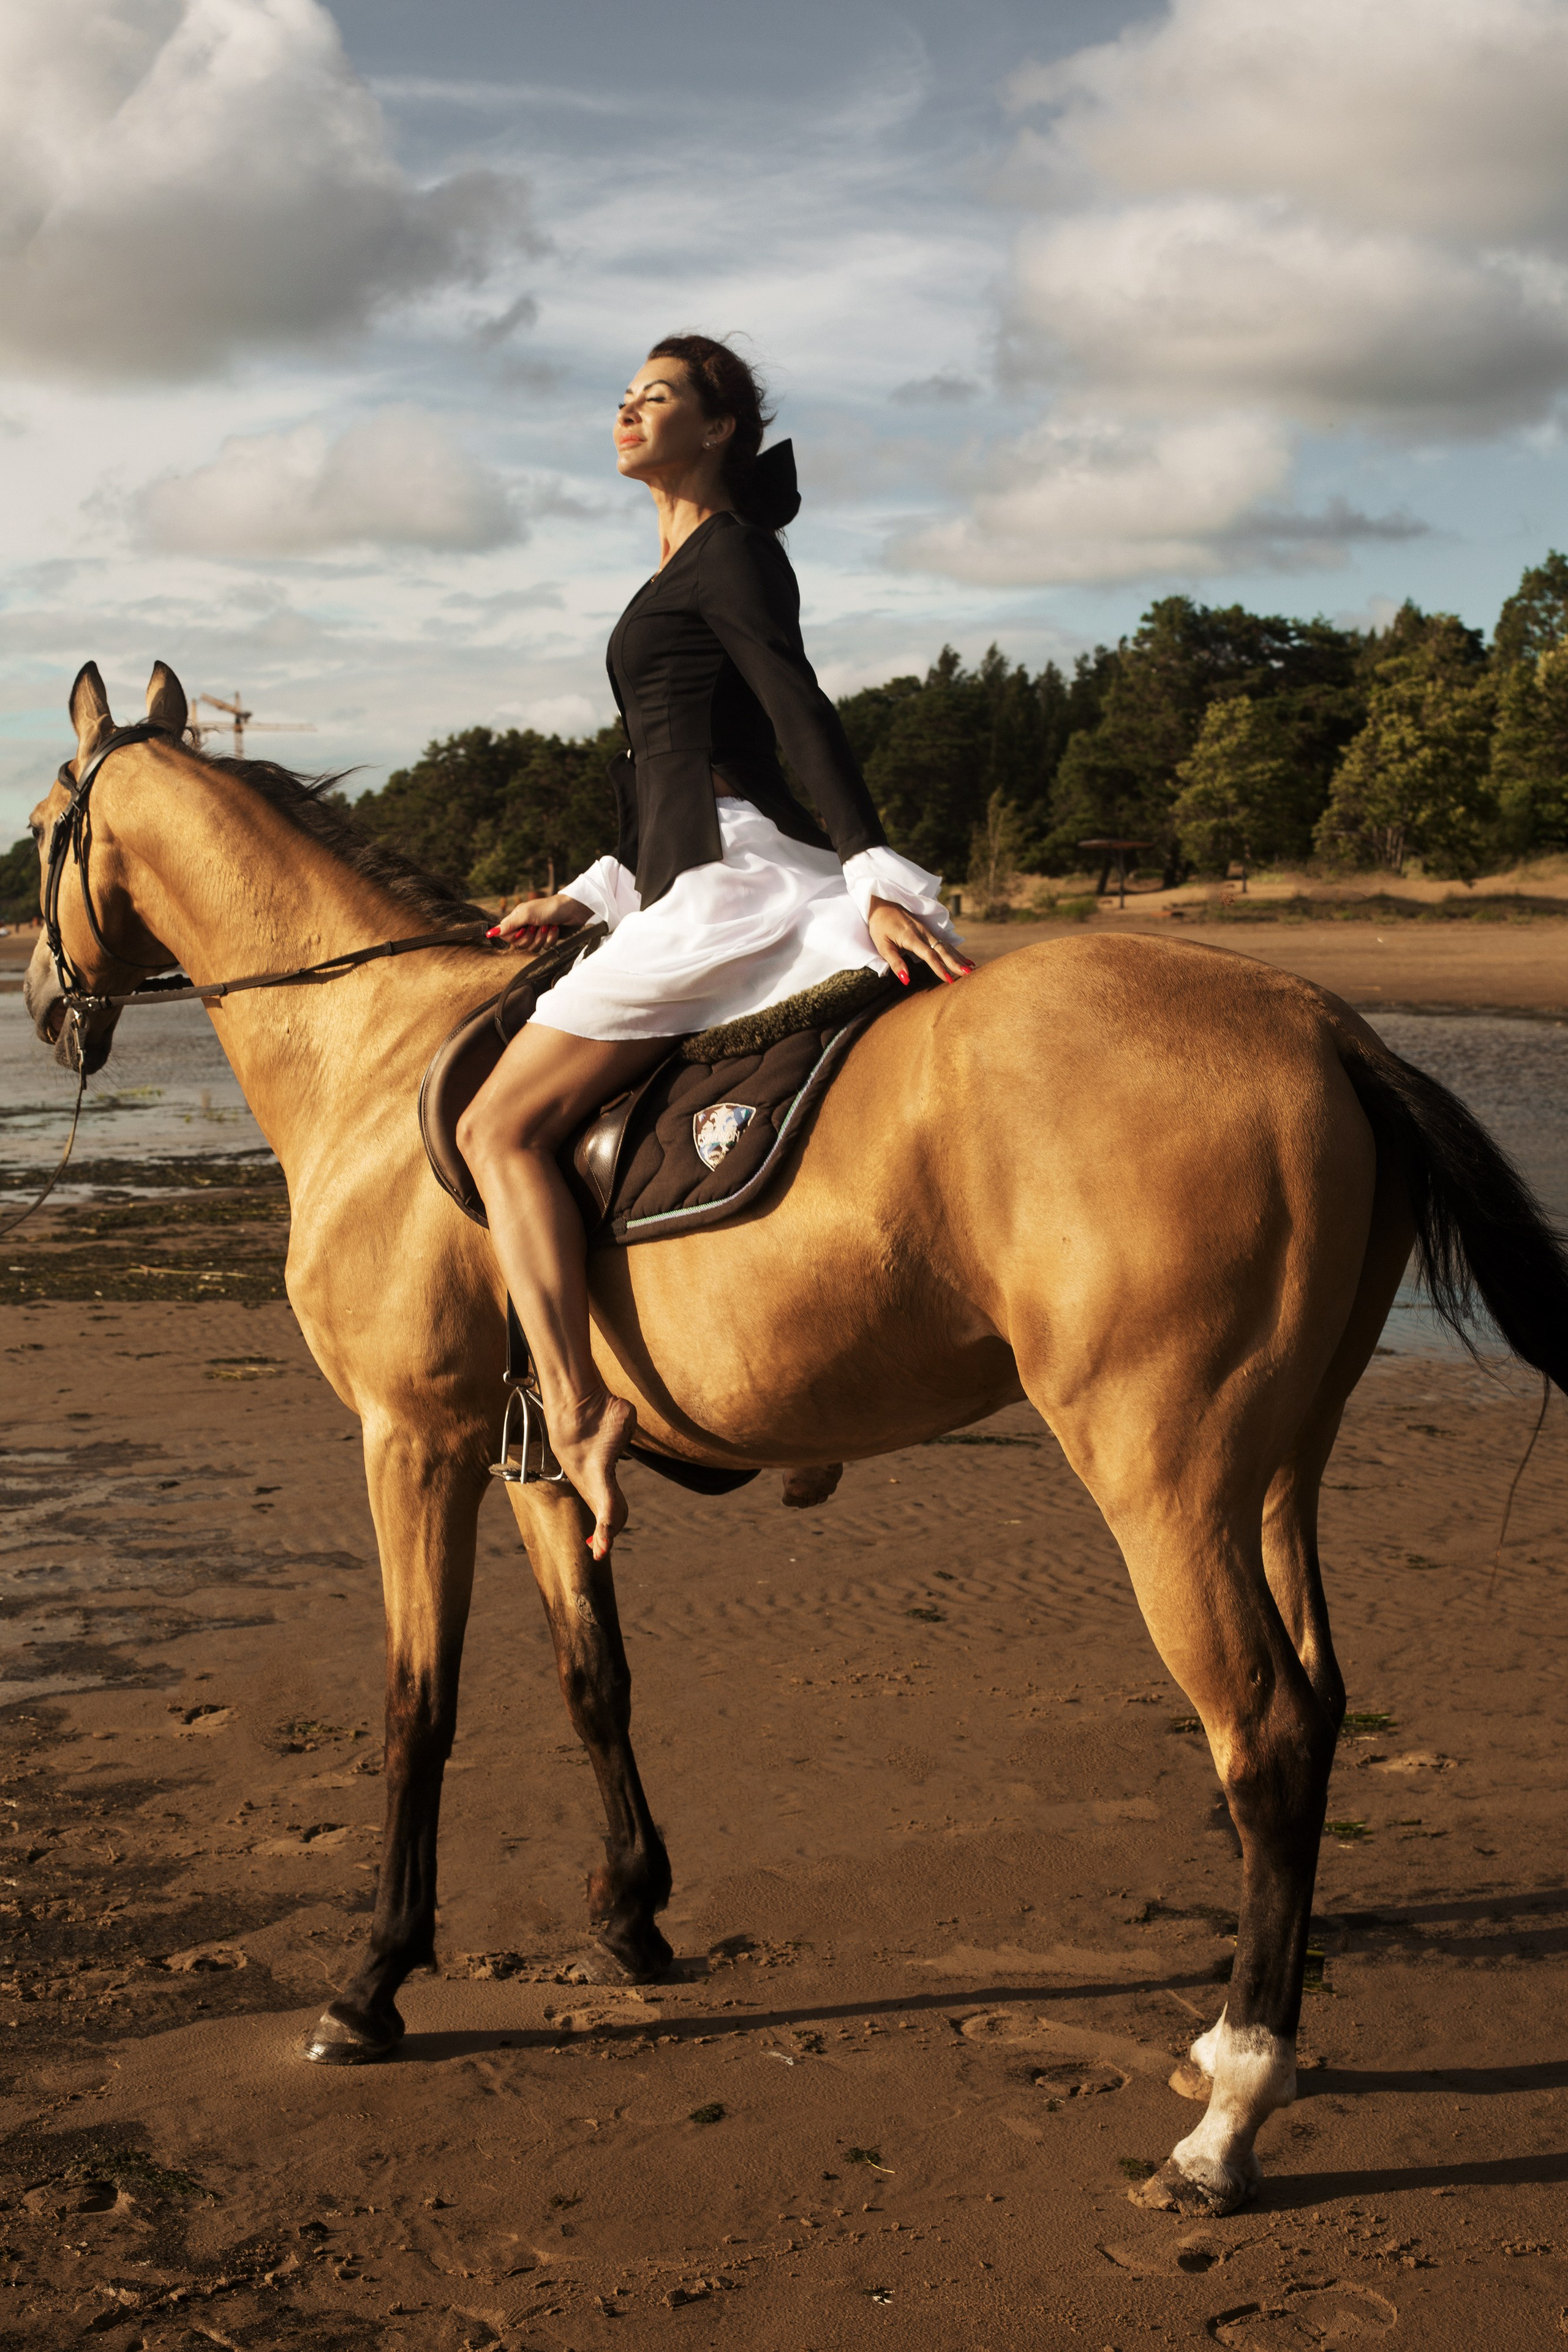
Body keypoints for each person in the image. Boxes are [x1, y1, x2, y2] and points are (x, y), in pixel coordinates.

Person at [457, 333, 970, 1559]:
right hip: (686, 864)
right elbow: (682, 762)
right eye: (625, 396)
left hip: (732, 878)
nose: (628, 412)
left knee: (495, 1126)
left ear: (721, 428)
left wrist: (874, 867)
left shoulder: (733, 553)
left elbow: (796, 708)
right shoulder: (684, 562)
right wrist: (587, 897)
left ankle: (574, 1407)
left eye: (658, 398)